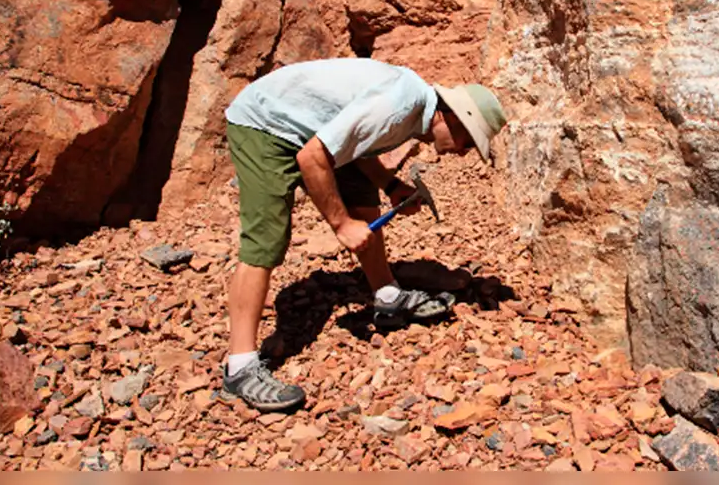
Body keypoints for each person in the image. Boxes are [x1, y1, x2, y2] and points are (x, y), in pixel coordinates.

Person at [217, 57, 507, 412]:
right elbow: (313, 158)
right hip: (266, 124)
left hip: (313, 131)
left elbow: (352, 141)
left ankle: (387, 296)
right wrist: (340, 224)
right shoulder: (398, 107)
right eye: (467, 142)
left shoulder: (410, 114)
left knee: (364, 201)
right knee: (266, 240)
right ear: (452, 116)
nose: (463, 153)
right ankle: (240, 368)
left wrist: (390, 184)